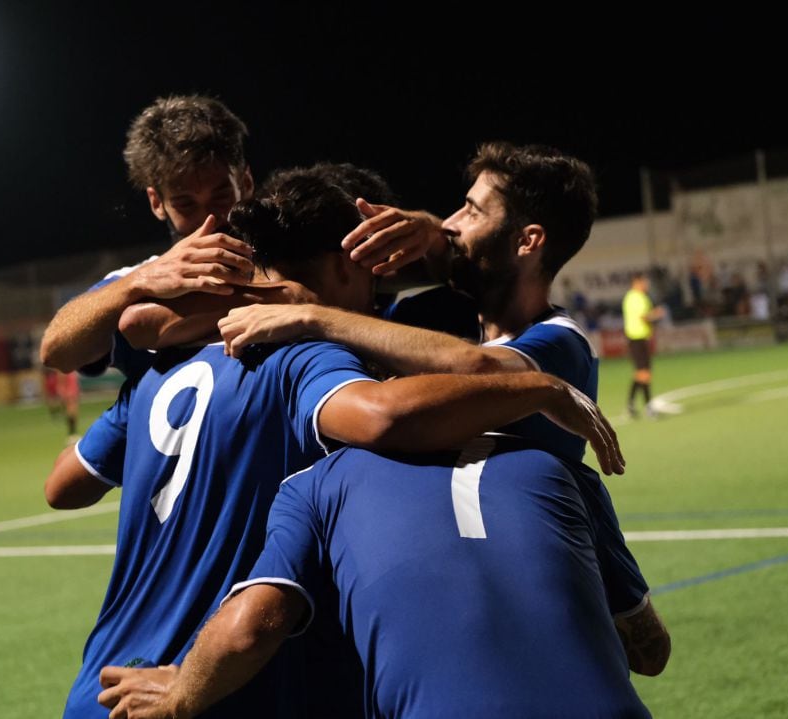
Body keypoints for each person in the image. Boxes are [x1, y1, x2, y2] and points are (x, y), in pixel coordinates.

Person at [49, 173, 623, 718]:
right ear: (345, 265)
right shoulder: (308, 356)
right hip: (205, 688)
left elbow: (64, 484)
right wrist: (539, 389)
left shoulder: (160, 369)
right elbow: (382, 416)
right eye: (375, 273)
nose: (379, 294)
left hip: (104, 681)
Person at [98, 438, 670, 719]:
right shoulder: (563, 468)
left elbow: (251, 626)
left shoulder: (318, 482)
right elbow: (651, 652)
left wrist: (179, 691)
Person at [216, 142, 606, 464]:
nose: (450, 223)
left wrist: (312, 315)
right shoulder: (428, 315)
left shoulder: (561, 343)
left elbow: (482, 368)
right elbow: (358, 294)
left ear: (527, 241)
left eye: (473, 212)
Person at [39, 95, 261, 377]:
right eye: (185, 204)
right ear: (157, 203)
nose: (209, 218)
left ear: (246, 183)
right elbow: (55, 352)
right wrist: (138, 282)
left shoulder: (289, 262)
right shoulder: (141, 284)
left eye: (221, 196)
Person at [622, 271, 664, 418]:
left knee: (641, 373)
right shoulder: (635, 297)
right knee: (644, 373)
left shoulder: (638, 296)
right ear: (637, 282)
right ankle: (648, 406)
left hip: (640, 338)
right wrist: (656, 313)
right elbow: (643, 317)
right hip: (636, 339)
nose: (647, 284)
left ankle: (631, 405)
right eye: (644, 281)